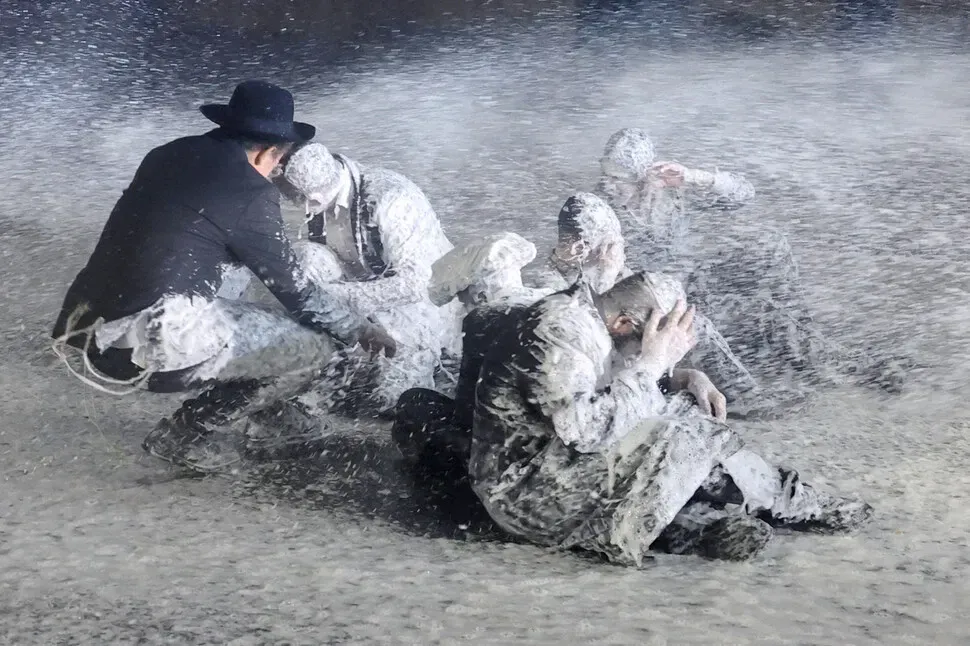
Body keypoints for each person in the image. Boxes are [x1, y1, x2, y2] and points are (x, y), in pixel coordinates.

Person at [51, 80, 396, 473]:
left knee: (256, 322)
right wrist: (359, 331)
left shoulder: (166, 155)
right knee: (316, 347)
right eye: (276, 165)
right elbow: (295, 290)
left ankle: (273, 417)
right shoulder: (249, 190)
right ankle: (182, 435)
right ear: (268, 152)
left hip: (83, 326)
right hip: (146, 343)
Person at [468, 273, 873, 564]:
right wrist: (652, 364)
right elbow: (587, 429)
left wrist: (683, 376)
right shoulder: (557, 332)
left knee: (674, 414)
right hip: (527, 494)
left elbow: (610, 377)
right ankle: (792, 504)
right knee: (681, 427)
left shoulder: (592, 319)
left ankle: (702, 528)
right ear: (624, 322)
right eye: (652, 338)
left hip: (558, 471)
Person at [596, 127, 907, 407]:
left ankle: (804, 335)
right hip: (654, 303)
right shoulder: (600, 212)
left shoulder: (668, 193)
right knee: (762, 314)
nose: (609, 185)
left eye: (619, 178)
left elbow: (744, 195)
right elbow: (606, 285)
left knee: (771, 246)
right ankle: (751, 394)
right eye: (606, 174)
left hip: (693, 281)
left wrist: (694, 177)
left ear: (644, 176)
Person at [525, 192, 760, 413]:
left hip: (627, 360)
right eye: (614, 244)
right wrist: (679, 374)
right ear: (580, 248)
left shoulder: (593, 267)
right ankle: (736, 400)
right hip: (601, 392)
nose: (622, 252)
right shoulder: (549, 294)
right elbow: (605, 366)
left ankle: (744, 394)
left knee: (689, 323)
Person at [275, 141, 462, 417]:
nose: (295, 207)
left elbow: (416, 284)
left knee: (391, 402)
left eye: (295, 199)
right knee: (306, 257)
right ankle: (326, 357)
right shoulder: (324, 192)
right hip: (359, 288)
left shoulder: (392, 200)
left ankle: (416, 363)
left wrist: (334, 299)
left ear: (312, 197)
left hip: (424, 304)